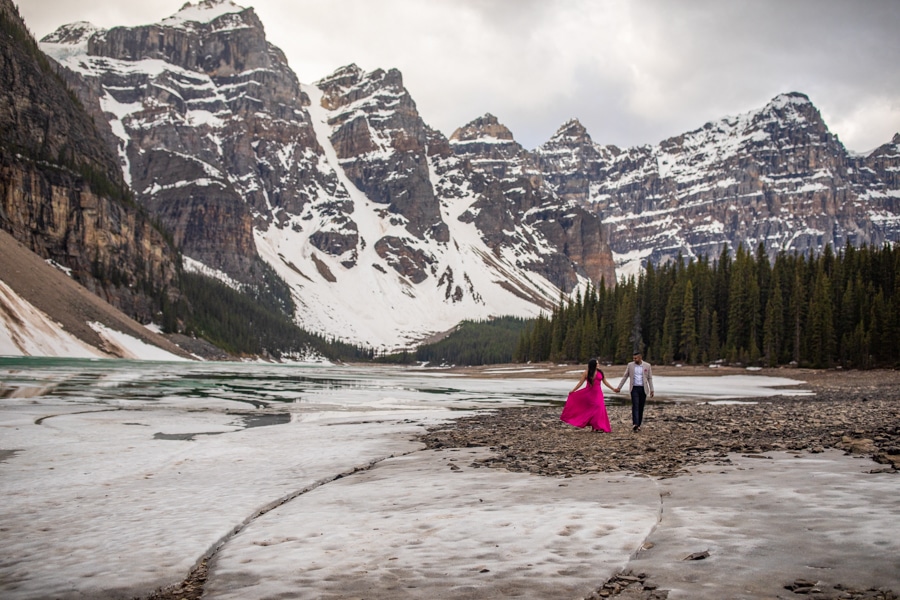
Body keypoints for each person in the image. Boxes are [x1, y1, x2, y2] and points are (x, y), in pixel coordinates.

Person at [560, 358, 615, 433]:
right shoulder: (587, 373)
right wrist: (573, 390)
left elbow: (605, 382)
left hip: (598, 393)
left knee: (599, 408)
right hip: (589, 393)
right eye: (597, 363)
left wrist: (613, 389)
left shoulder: (600, 372)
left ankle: (597, 426)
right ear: (593, 365)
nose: (598, 364)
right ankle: (596, 427)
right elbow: (580, 383)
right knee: (593, 409)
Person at [615, 352, 654, 432]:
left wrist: (651, 389)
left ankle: (639, 424)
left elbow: (649, 378)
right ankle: (635, 424)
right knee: (635, 405)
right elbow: (625, 376)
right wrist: (619, 387)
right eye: (633, 358)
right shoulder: (630, 365)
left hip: (643, 388)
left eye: (635, 358)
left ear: (640, 358)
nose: (634, 360)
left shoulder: (647, 365)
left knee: (641, 407)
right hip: (634, 388)